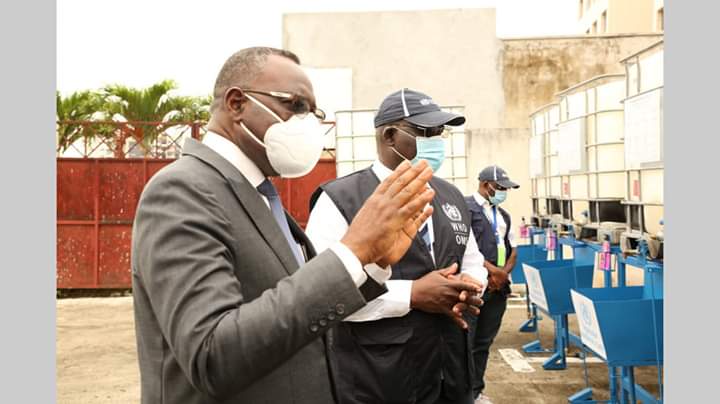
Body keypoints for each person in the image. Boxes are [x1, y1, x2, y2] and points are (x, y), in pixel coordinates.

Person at [131, 47, 440, 404]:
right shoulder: (182, 189)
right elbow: (211, 354)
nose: (309, 123)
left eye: (314, 112)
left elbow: (297, 315)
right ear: (236, 104)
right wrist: (350, 253)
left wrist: (372, 261)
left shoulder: (259, 194)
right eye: (296, 106)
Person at [306, 88, 488, 404]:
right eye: (425, 132)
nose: (437, 141)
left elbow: (473, 260)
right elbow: (321, 294)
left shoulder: (451, 196)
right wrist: (412, 294)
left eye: (439, 132)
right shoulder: (340, 200)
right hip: (379, 378)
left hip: (451, 375)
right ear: (390, 136)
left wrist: (468, 287)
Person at [465, 165, 520, 404]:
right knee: (465, 342)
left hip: (498, 289)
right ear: (487, 184)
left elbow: (513, 249)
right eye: (501, 188)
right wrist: (492, 272)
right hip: (476, 286)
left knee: (483, 343)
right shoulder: (465, 209)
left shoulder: (503, 215)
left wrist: (503, 275)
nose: (504, 192)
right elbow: (466, 250)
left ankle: (476, 391)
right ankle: (461, 392)